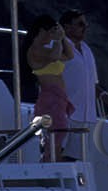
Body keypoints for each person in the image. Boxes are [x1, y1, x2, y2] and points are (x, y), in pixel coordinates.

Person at [26, 15, 76, 158]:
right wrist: (57, 39)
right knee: (58, 132)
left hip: (59, 98)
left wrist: (63, 37)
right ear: (43, 31)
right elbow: (54, 56)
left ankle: (52, 164)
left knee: (58, 138)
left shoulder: (47, 48)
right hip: (50, 98)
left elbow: (70, 55)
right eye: (51, 30)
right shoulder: (35, 50)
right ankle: (47, 163)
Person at [60, 9, 99, 127]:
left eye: (85, 24)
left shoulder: (86, 49)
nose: (85, 28)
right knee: (57, 146)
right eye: (81, 24)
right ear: (67, 28)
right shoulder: (57, 48)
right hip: (63, 115)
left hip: (86, 118)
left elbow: (92, 82)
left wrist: (104, 95)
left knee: (82, 146)